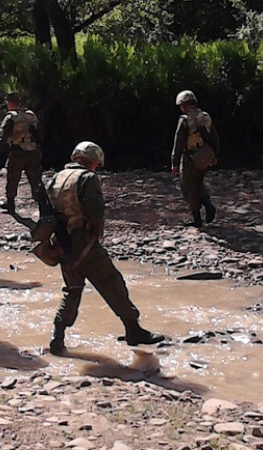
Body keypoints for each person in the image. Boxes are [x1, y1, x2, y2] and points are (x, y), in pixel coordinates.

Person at [45, 141, 165, 355]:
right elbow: (95, 210)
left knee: (72, 290)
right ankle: (133, 330)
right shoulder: (88, 178)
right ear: (92, 161)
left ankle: (57, 339)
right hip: (84, 243)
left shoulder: (56, 177)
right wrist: (98, 233)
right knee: (112, 283)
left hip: (61, 245)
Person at [171, 90, 219, 227]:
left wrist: (174, 162)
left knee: (188, 187)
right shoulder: (205, 117)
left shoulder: (184, 120)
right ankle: (208, 205)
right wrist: (214, 156)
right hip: (204, 157)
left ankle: (197, 219)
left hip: (190, 158)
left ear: (184, 105)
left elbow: (178, 142)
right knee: (199, 182)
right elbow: (215, 138)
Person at [0, 92, 43, 213]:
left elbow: (1, 138)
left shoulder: (10, 117)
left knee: (13, 178)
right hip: (33, 150)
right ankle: (43, 206)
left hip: (17, 152)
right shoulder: (31, 115)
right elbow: (40, 134)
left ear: (9, 103)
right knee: (35, 179)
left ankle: (10, 205)